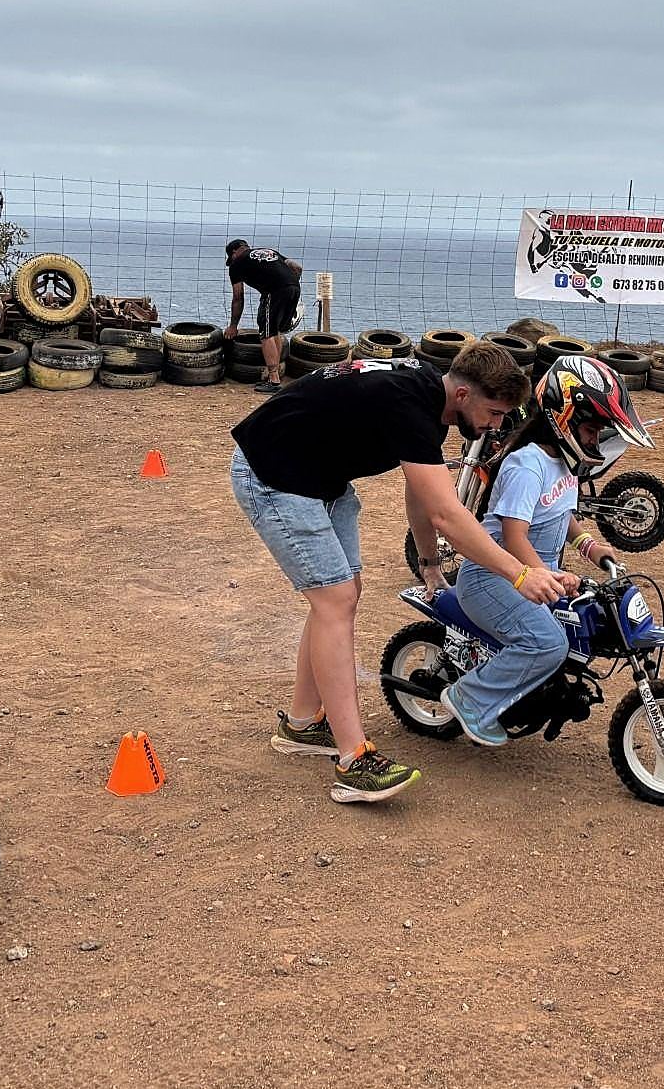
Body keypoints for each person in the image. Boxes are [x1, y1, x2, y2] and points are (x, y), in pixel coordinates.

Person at [230, 340, 579, 804]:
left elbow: (421, 495)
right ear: (462, 395)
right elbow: (449, 516)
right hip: (273, 475)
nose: (496, 426)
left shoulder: (429, 403)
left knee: (340, 592)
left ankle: (301, 725)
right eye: (494, 413)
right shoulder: (409, 406)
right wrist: (519, 575)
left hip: (318, 478)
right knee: (335, 600)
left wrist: (431, 565)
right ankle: (355, 759)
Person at [439, 355, 650, 747]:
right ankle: (469, 697)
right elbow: (515, 535)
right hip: (493, 578)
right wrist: (546, 574)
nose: (594, 441)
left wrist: (588, 545)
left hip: (530, 577)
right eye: (590, 430)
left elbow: (560, 515)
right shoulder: (526, 465)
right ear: (564, 420)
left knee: (583, 624)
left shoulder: (563, 464)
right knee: (547, 643)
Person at [222, 240, 304, 394]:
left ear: (234, 252)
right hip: (294, 287)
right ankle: (275, 375)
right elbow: (297, 267)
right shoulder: (270, 251)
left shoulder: (236, 264)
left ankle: (273, 381)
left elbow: (238, 297)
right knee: (276, 331)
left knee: (266, 333)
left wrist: (233, 325)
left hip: (274, 291)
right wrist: (290, 284)